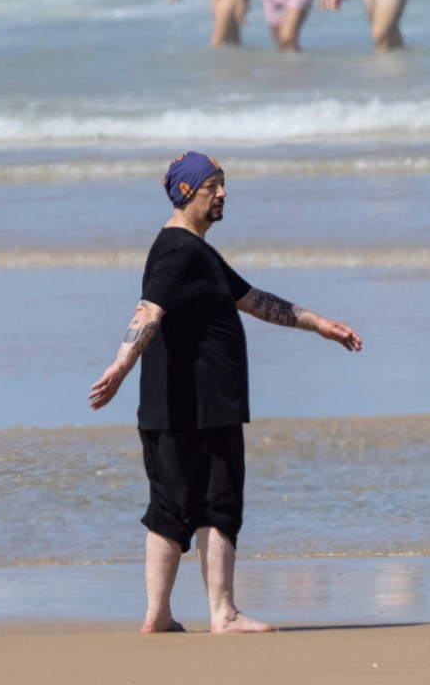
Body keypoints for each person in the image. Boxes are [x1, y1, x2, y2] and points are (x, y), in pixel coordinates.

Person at [89, 152, 362, 634]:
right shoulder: (179, 251)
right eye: (213, 185)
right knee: (216, 504)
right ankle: (223, 613)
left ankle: (160, 614)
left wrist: (318, 324)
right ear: (187, 192)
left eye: (223, 184)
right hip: (201, 406)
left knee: (171, 508)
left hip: (177, 407)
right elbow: (148, 310)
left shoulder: (198, 253)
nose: (223, 193)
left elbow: (253, 300)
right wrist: (120, 365)